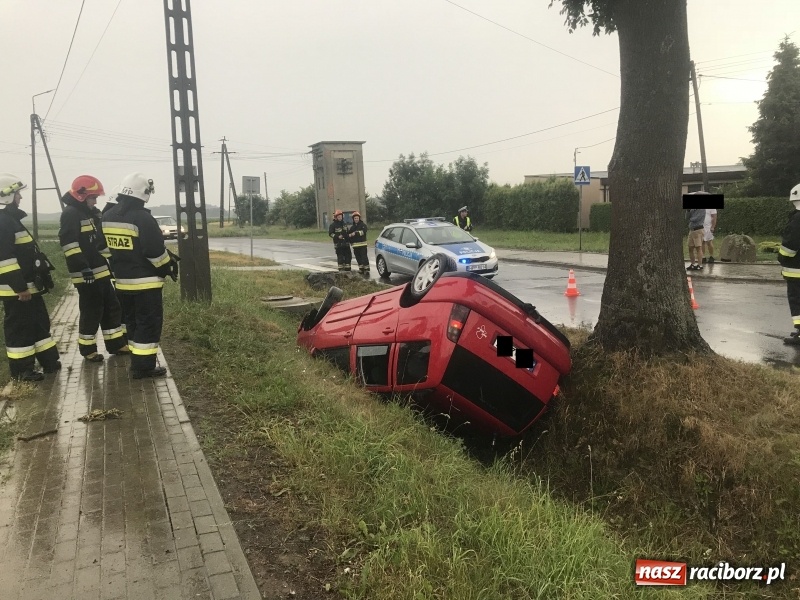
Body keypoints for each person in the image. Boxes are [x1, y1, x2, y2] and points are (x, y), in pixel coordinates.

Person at [102, 173, 179, 379]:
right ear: (143, 194)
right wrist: (167, 268)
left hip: (122, 283)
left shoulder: (108, 216)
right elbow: (154, 251)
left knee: (133, 323)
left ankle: (137, 362)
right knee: (149, 323)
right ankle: (144, 367)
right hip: (146, 284)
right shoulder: (143, 218)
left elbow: (104, 249)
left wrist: (122, 261)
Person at [59, 176, 129, 362]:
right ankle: (87, 349)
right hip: (86, 274)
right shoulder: (71, 214)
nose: (95, 201)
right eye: (93, 197)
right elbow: (70, 245)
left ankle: (116, 344)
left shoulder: (89, 214)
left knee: (112, 306)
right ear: (82, 196)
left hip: (101, 271)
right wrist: (83, 269)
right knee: (92, 310)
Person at [0, 174, 61, 381]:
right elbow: (4, 260)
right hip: (17, 290)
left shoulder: (11, 220)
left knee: (39, 323)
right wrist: (20, 288)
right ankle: (22, 371)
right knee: (20, 329)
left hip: (28, 287)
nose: (20, 198)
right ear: (7, 196)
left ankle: (49, 361)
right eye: (17, 193)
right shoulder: (3, 222)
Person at [778, 183, 800, 345]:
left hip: (796, 270)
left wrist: (781, 257)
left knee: (797, 300)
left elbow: (790, 245)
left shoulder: (797, 219)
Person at [686, 204, 706, 271]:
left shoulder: (702, 209)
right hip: (692, 230)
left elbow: (696, 218)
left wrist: (690, 218)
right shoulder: (692, 209)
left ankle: (700, 265)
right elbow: (686, 217)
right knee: (690, 247)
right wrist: (688, 210)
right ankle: (693, 263)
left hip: (698, 230)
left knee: (698, 248)